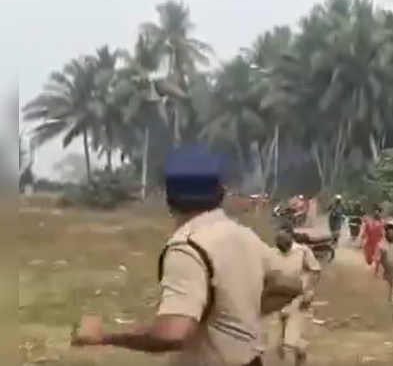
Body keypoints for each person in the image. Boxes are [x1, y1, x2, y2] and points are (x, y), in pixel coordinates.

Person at [70, 144, 302, 366]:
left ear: (169, 198)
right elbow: (291, 284)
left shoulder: (188, 247)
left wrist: (104, 336)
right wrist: (243, 313)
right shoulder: (244, 235)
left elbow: (172, 333)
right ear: (220, 192)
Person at [270, 230, 321, 366]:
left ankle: (298, 352)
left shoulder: (302, 252)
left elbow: (315, 271)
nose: (283, 249)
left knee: (288, 343)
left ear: (290, 242)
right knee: (281, 338)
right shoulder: (273, 254)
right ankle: (301, 351)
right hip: (280, 299)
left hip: (299, 299)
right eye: (280, 247)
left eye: (285, 246)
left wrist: (309, 291)